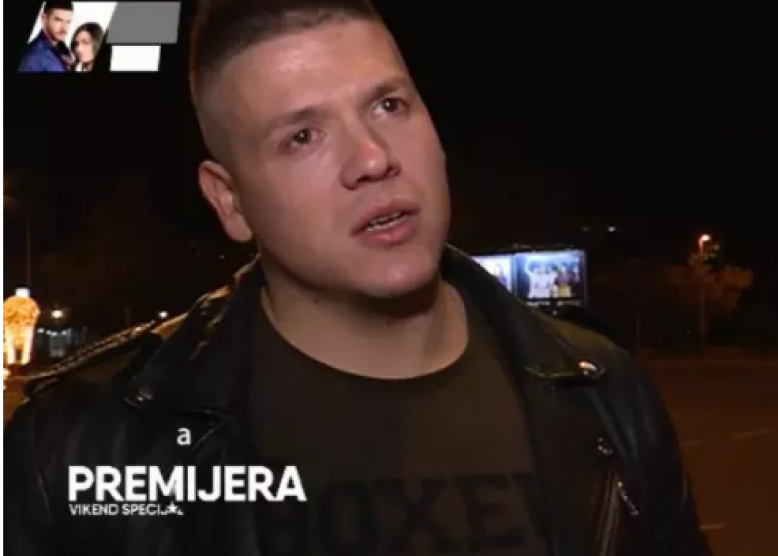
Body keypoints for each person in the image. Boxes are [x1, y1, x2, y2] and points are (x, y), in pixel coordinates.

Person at [4, 1, 711, 555]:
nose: (373, 158)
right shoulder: (78, 446)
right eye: (302, 136)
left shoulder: (605, 392)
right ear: (230, 201)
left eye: (389, 105)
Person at [18, 1, 75, 73]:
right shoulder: (32, 56)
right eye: (58, 20)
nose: (64, 28)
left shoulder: (64, 49)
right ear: (44, 18)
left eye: (68, 21)